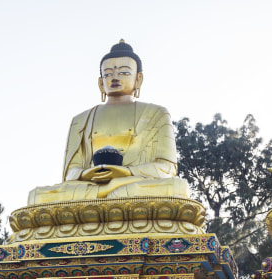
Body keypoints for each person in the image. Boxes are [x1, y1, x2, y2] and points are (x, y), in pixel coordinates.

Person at [27, 40, 190, 204]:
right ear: (100, 83)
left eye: (124, 73)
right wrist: (85, 174)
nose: (115, 77)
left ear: (138, 79)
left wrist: (126, 173)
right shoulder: (81, 120)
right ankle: (106, 196)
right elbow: (70, 172)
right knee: (36, 196)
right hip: (90, 186)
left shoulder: (157, 113)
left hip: (133, 184)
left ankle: (102, 198)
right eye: (108, 74)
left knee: (178, 188)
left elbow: (166, 168)